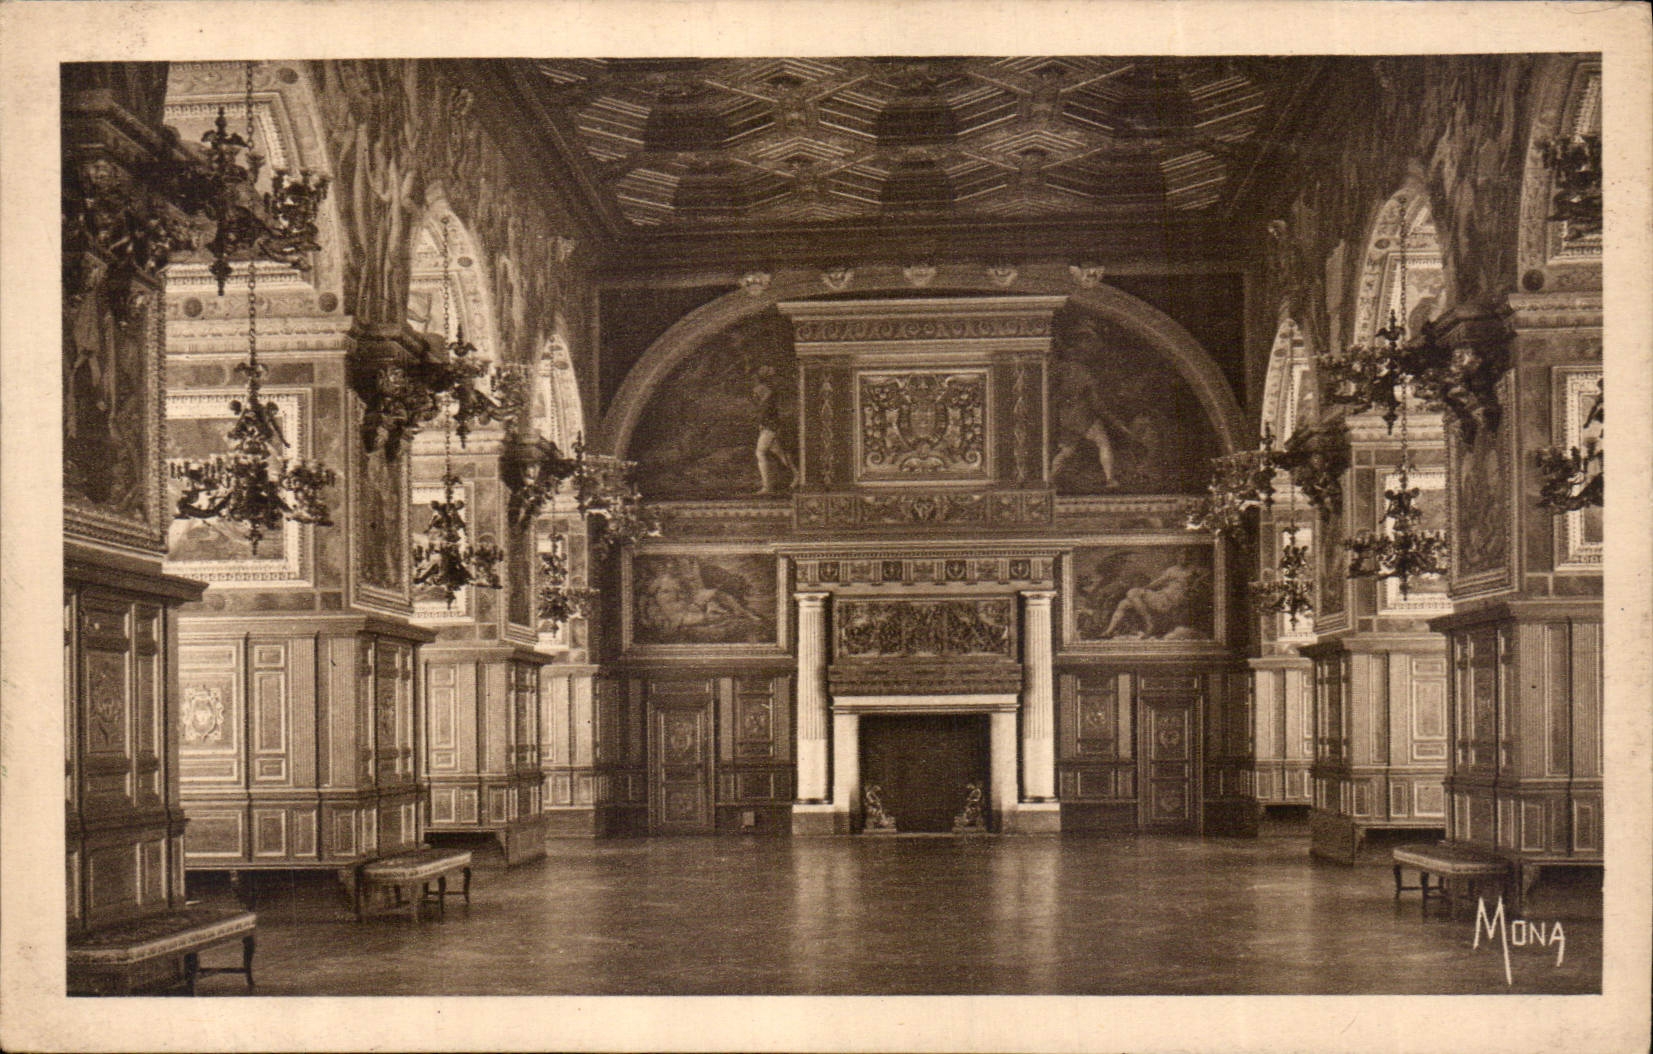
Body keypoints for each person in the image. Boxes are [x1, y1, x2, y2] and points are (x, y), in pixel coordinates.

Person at [1102, 556, 1202, 639]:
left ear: (1190, 557)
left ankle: (1149, 622)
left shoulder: (1193, 570)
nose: (1183, 558)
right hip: (1161, 596)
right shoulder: (1172, 570)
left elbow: (1205, 577)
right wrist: (1143, 589)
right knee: (1124, 603)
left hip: (1168, 601)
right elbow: (1158, 582)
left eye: (1186, 555)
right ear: (1178, 557)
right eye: (1181, 555)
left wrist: (1194, 585)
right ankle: (1109, 631)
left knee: (1132, 592)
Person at [751, 365, 798, 494]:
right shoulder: (766, 398)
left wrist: (765, 425)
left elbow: (767, 415)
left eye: (757, 392)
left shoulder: (767, 398)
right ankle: (798, 476)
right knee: (780, 453)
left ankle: (767, 486)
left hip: (770, 428)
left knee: (760, 453)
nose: (755, 393)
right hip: (769, 427)